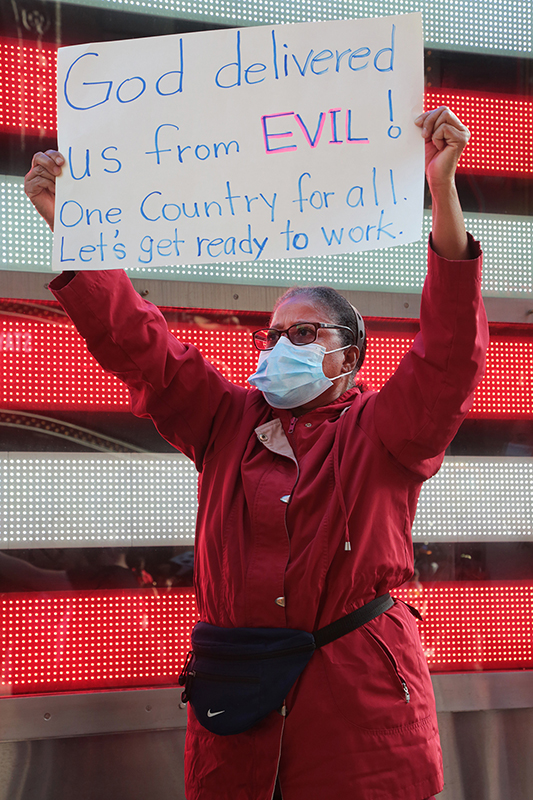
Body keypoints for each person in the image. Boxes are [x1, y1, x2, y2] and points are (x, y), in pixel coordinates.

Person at [24, 106, 488, 800]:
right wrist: (67, 222)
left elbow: (448, 357)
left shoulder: (385, 432)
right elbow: (139, 345)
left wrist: (440, 187)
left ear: (349, 357)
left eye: (303, 334)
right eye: (271, 335)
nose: (279, 347)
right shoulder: (224, 421)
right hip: (235, 713)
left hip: (358, 725)